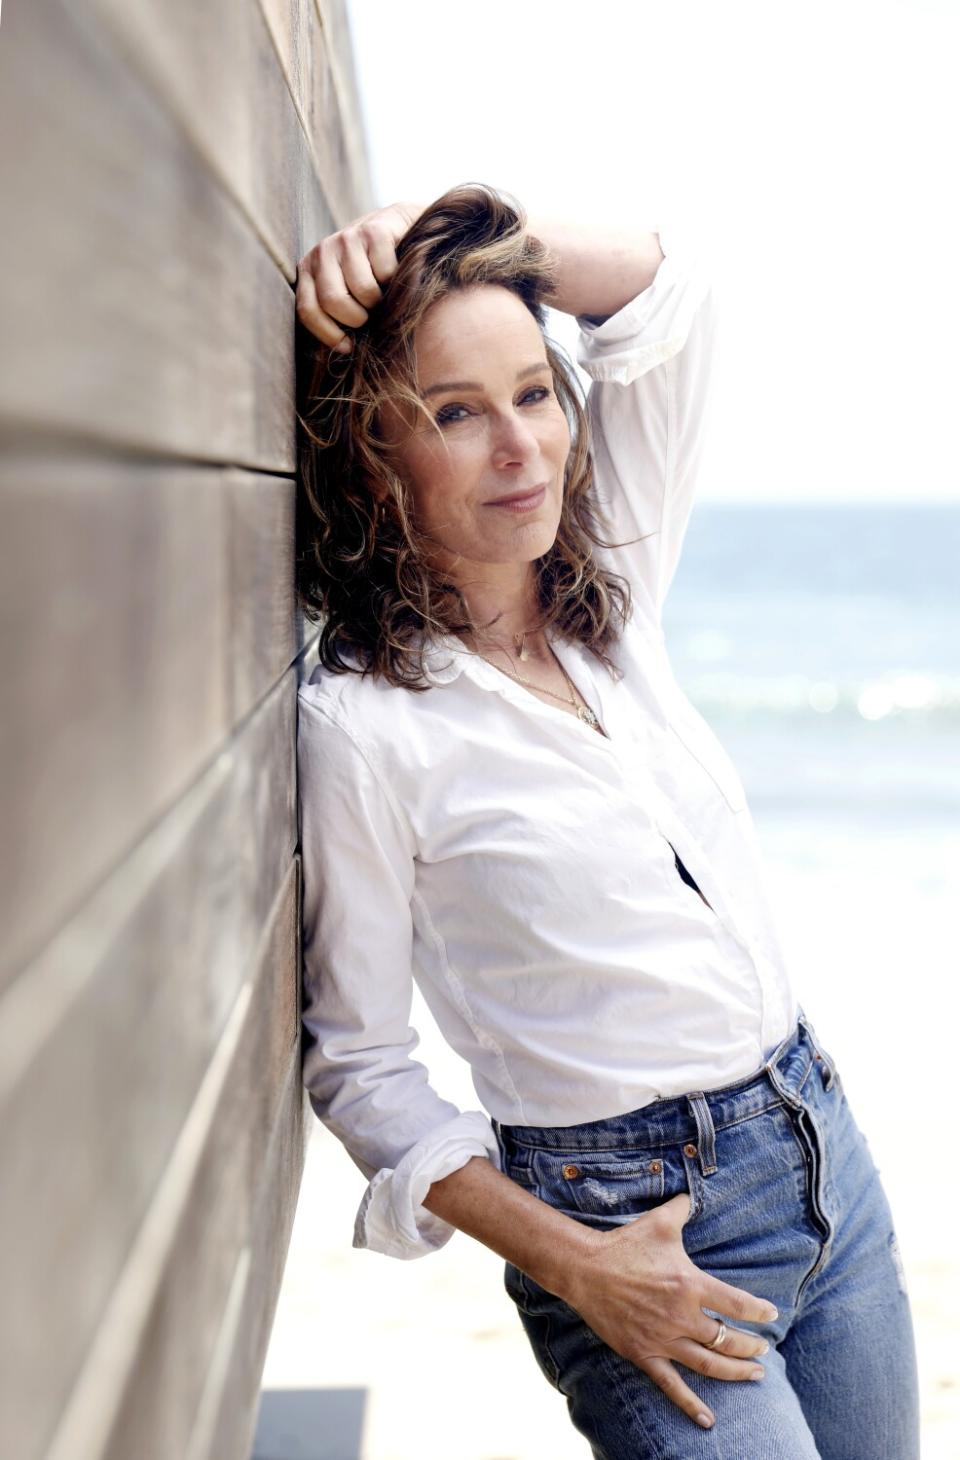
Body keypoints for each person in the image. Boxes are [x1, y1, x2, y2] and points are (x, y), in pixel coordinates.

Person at [293, 183, 920, 1459]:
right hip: (629, 1221)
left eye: (534, 391)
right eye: (454, 414)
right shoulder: (366, 722)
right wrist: (579, 1265)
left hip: (820, 1151)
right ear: (370, 451)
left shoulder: (610, 590)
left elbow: (667, 291)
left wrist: (449, 231)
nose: (520, 447)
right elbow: (360, 1063)